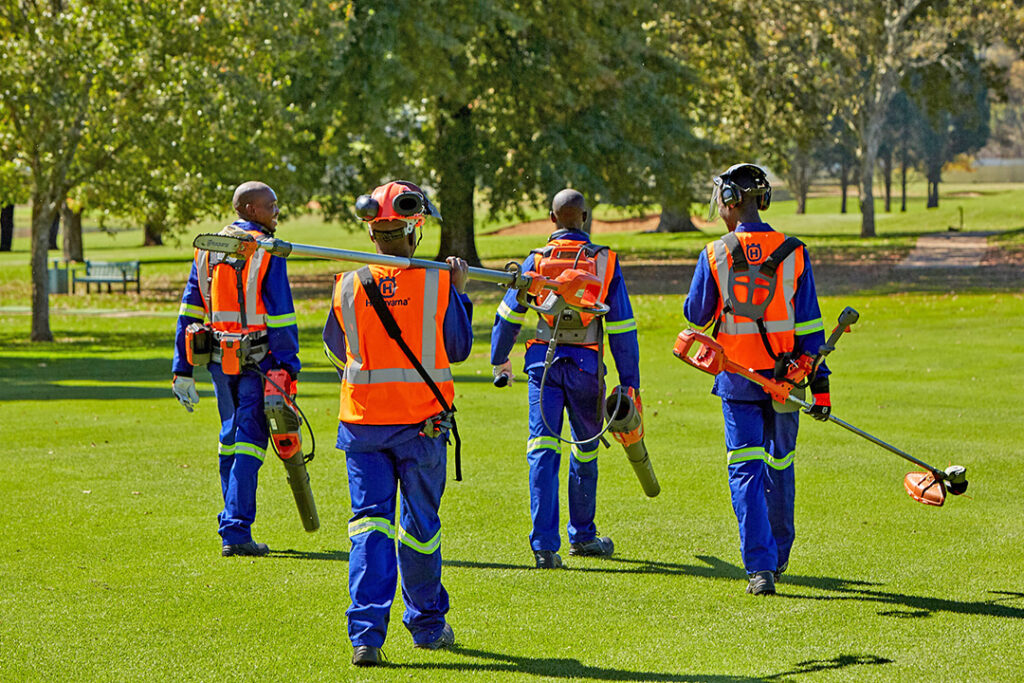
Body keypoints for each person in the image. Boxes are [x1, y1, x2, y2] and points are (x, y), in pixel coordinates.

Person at [322, 180, 473, 667]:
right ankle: (427, 625)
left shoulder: (347, 285)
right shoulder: (438, 282)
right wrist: (461, 293)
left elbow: (333, 349)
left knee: (369, 526)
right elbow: (458, 349)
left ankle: (366, 636)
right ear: (415, 228)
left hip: (363, 427)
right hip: (422, 426)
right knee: (421, 528)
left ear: (372, 234)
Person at [684, 163, 831, 596]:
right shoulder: (795, 251)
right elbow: (811, 329)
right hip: (787, 381)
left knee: (745, 468)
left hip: (738, 383)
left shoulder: (714, 253)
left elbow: (696, 315)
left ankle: (760, 569)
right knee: (780, 465)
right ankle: (779, 555)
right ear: (761, 200)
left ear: (730, 201)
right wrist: (820, 389)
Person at [490, 188, 640, 569]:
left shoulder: (535, 261)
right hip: (586, 367)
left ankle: (543, 545)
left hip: (544, 364)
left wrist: (499, 359)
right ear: (585, 218)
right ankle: (583, 536)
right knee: (586, 448)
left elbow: (508, 317)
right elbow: (622, 327)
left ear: (552, 218)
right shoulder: (604, 262)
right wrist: (629, 381)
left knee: (541, 448)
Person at [171, 181, 301, 557]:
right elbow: (281, 315)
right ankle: (236, 529)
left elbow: (190, 308)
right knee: (250, 440)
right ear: (249, 209)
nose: (277, 212)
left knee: (230, 435)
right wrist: (289, 366)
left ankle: (231, 521)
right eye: (271, 206)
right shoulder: (266, 250)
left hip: (215, 360)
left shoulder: (207, 248)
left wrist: (181, 368)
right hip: (258, 361)